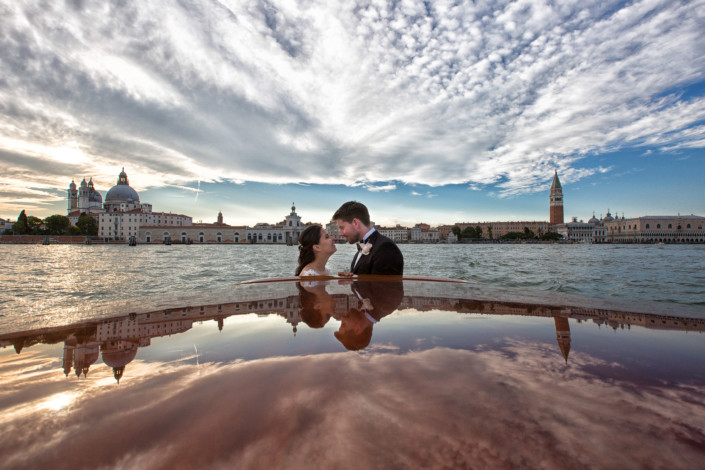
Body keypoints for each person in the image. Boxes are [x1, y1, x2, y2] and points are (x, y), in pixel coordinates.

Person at [332, 201, 403, 275]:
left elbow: (385, 286)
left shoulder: (385, 248)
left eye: (342, 228)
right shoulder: (362, 249)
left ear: (355, 223)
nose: (341, 233)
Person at [333, 278, 404, 350]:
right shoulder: (388, 304)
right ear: (358, 329)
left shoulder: (361, 301)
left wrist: (351, 274)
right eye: (343, 324)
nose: (342, 318)